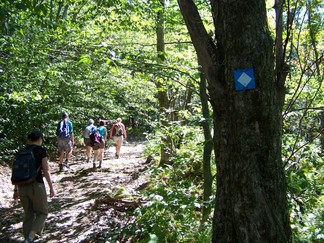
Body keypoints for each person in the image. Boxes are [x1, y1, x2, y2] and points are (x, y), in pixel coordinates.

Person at [13, 130, 55, 243]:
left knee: (29, 214)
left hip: (22, 186)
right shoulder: (41, 151)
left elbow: (17, 171)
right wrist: (51, 187)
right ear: (40, 139)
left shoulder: (22, 151)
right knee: (42, 213)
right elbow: (46, 171)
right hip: (37, 185)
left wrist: (15, 189)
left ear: (29, 139)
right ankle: (31, 237)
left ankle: (27, 238)